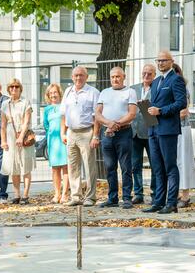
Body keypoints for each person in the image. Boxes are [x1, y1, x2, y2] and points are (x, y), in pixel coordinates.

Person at [143, 51, 187, 214]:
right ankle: (158, 202)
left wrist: (161, 110)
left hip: (168, 129)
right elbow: (154, 103)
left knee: (170, 166)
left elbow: (181, 103)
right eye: (158, 60)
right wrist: (147, 109)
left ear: (171, 61)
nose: (160, 63)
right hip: (153, 128)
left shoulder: (176, 79)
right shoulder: (155, 82)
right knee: (157, 167)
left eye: (163, 60)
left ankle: (171, 203)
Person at [94, 67, 137, 209]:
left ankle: (126, 198)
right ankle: (112, 198)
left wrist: (116, 124)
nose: (115, 79)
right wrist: (109, 124)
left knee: (125, 167)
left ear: (123, 77)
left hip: (124, 133)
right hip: (107, 134)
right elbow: (98, 114)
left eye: (118, 76)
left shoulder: (130, 92)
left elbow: (131, 114)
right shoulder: (104, 93)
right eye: (112, 77)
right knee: (109, 167)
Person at [61, 65, 100, 207]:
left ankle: (90, 197)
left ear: (87, 77)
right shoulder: (68, 91)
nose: (78, 78)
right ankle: (76, 196)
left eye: (81, 75)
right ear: (72, 77)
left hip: (86, 131)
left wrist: (95, 135)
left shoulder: (93, 92)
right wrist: (63, 132)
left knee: (89, 166)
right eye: (76, 75)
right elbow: (63, 114)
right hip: (71, 132)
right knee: (72, 166)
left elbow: (97, 116)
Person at [0, 78, 35, 204]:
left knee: (25, 167)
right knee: (13, 167)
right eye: (11, 87)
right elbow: (3, 125)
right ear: (8, 89)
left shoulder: (26, 102)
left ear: (20, 88)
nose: (14, 89)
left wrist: (20, 137)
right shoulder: (5, 104)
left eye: (16, 86)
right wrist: (3, 141)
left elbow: (26, 122)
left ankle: (25, 195)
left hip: (24, 137)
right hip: (10, 138)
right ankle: (17, 194)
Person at [172, 63, 195, 209]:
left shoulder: (182, 89)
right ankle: (173, 194)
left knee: (183, 162)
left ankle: (185, 195)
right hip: (169, 130)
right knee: (171, 163)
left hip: (182, 128)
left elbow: (183, 112)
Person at [130, 64, 155, 205]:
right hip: (135, 133)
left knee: (154, 164)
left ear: (154, 74)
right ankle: (138, 193)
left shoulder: (156, 88)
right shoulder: (133, 89)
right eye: (144, 73)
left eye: (149, 73)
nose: (146, 75)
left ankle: (155, 193)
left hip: (151, 132)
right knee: (135, 165)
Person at [42, 83, 68, 203]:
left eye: (55, 92)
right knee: (55, 169)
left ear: (59, 93)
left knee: (65, 167)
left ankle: (64, 195)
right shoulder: (47, 109)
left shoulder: (64, 106)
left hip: (63, 139)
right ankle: (56, 194)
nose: (53, 95)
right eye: (51, 93)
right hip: (52, 141)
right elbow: (46, 125)